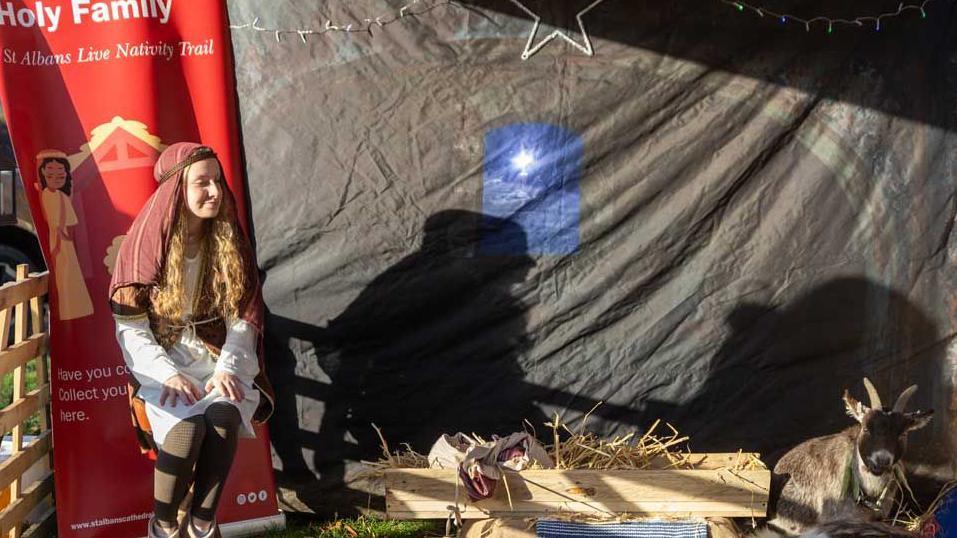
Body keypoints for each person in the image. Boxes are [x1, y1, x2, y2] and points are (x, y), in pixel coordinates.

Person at [108, 143, 274, 538]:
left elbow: (244, 318)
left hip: (218, 360)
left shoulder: (230, 242)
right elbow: (130, 327)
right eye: (202, 183)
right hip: (164, 365)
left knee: (223, 417)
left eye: (217, 181)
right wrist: (166, 374)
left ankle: (202, 523)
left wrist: (229, 368)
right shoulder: (145, 247)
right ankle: (163, 525)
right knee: (186, 432)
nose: (215, 191)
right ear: (176, 190)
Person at [36, 149, 94, 320]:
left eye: (60, 176)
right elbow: (58, 222)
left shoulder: (61, 195)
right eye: (50, 175)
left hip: (65, 241)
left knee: (70, 273)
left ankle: (76, 309)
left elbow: (70, 221)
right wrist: (63, 235)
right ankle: (70, 310)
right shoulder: (48, 195)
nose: (55, 178)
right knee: (65, 274)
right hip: (61, 241)